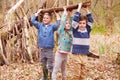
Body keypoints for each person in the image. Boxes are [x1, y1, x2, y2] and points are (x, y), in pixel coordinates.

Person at [30, 9, 60, 80]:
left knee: (50, 64)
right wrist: (37, 13)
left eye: (47, 18)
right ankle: (45, 76)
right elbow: (32, 20)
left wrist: (57, 15)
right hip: (42, 49)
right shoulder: (40, 26)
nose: (45, 19)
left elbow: (58, 24)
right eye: (44, 18)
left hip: (49, 49)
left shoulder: (52, 27)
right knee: (43, 64)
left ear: (50, 20)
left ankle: (52, 77)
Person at [71, 3, 94, 79]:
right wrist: (79, 8)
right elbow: (74, 20)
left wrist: (87, 10)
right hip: (76, 54)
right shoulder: (75, 30)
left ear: (86, 24)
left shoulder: (87, 30)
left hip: (84, 54)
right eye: (80, 23)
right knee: (76, 74)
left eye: (84, 23)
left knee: (83, 74)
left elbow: (91, 21)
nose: (82, 25)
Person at [52, 7, 72, 80]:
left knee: (64, 70)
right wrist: (64, 12)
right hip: (59, 54)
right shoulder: (61, 32)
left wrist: (71, 14)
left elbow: (72, 22)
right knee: (56, 69)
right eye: (66, 23)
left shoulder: (70, 32)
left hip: (66, 55)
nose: (68, 24)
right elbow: (62, 22)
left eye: (68, 23)